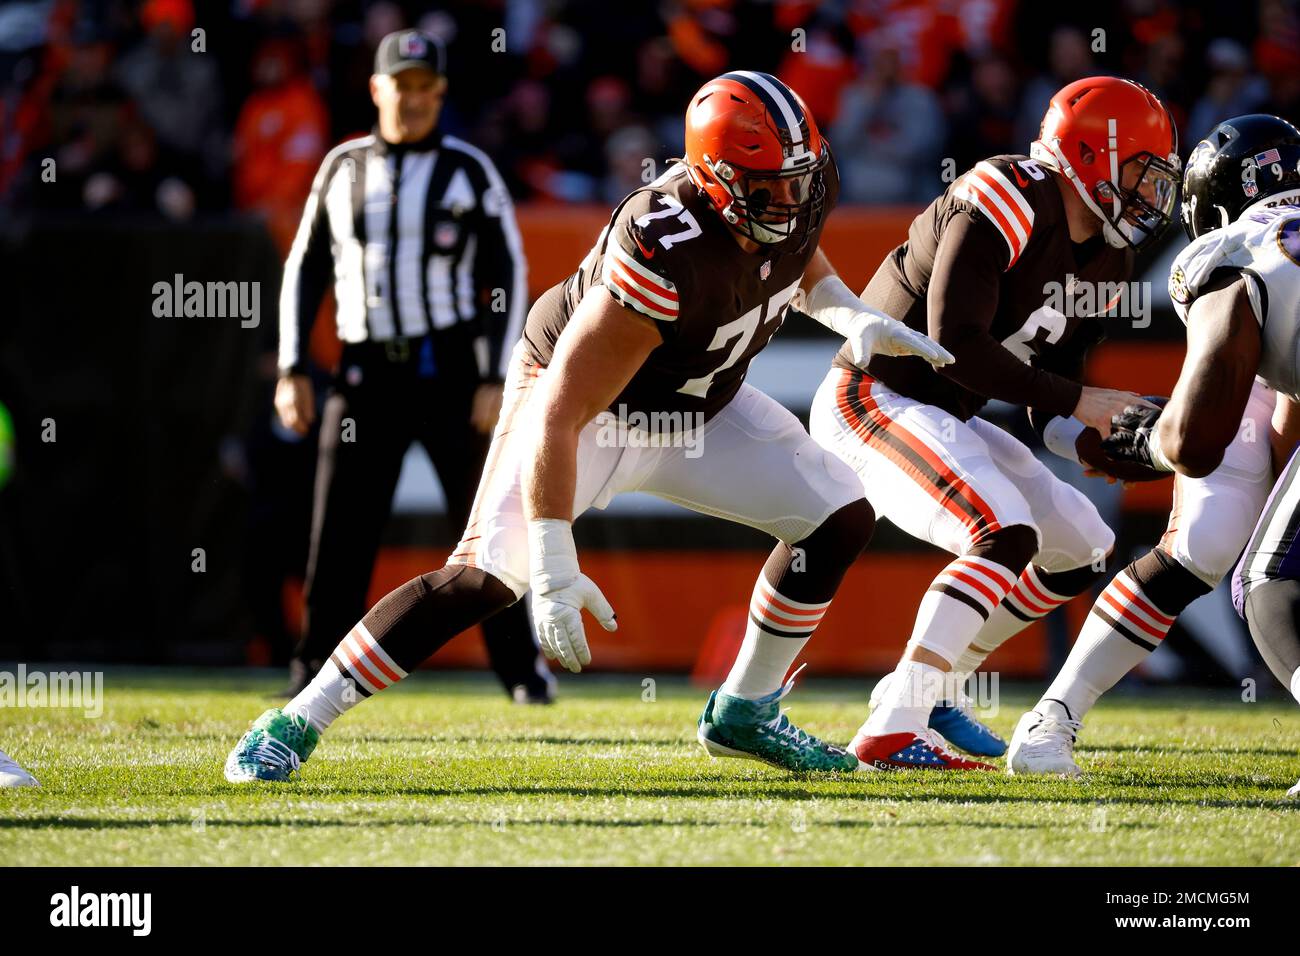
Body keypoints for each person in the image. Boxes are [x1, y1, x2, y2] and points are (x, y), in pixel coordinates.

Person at [223, 69, 952, 783]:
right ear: (715, 178)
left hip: (701, 407)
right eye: (769, 189)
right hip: (592, 411)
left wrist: (846, 310)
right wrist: (553, 560)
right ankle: (296, 719)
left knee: (839, 514)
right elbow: (562, 409)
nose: (791, 200)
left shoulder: (802, 181)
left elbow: (797, 255)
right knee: (483, 579)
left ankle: (746, 711)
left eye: (798, 180)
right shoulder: (666, 243)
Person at [808, 76, 1181, 770]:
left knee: (1081, 544)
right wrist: (1078, 404)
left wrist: (1110, 443)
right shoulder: (1007, 195)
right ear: (1092, 153)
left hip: (944, 411)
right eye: (1141, 170)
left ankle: (936, 680)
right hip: (872, 396)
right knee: (1003, 530)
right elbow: (956, 346)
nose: (1152, 192)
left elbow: (1050, 397)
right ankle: (891, 727)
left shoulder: (1109, 251)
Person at [1013, 115, 1300, 795]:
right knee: (1210, 543)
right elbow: (1284, 408)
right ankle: (1051, 720)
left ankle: (1050, 721)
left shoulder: (1231, 252)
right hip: (1275, 377)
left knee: (1264, 585)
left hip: (1245, 379)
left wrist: (1146, 441)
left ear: (1217, 206)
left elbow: (1195, 445)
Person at [272, 30, 553, 703]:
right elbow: (304, 266)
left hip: (453, 375)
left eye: (428, 88)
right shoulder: (341, 167)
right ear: (377, 89)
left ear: (441, 93)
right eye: (404, 86)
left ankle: (521, 674)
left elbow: (505, 268)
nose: (416, 100)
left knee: (489, 529)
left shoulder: (468, 168)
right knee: (338, 534)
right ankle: (312, 676)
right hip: (366, 376)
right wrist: (291, 367)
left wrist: (495, 376)